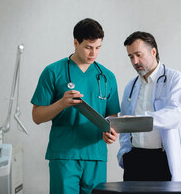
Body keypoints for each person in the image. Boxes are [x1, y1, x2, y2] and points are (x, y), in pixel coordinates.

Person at [31, 18, 120, 194]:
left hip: (95, 155)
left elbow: (113, 119)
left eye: (98, 47)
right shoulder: (53, 72)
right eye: (88, 47)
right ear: (75, 42)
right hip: (65, 155)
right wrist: (61, 104)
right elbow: (37, 116)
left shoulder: (107, 77)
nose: (93, 53)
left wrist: (112, 134)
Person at [104, 31, 181, 181]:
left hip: (163, 158)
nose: (135, 61)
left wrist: (139, 120)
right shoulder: (131, 86)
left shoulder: (174, 79)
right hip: (135, 159)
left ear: (153, 52)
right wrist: (125, 153)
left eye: (139, 55)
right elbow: (125, 124)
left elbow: (175, 114)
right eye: (131, 56)